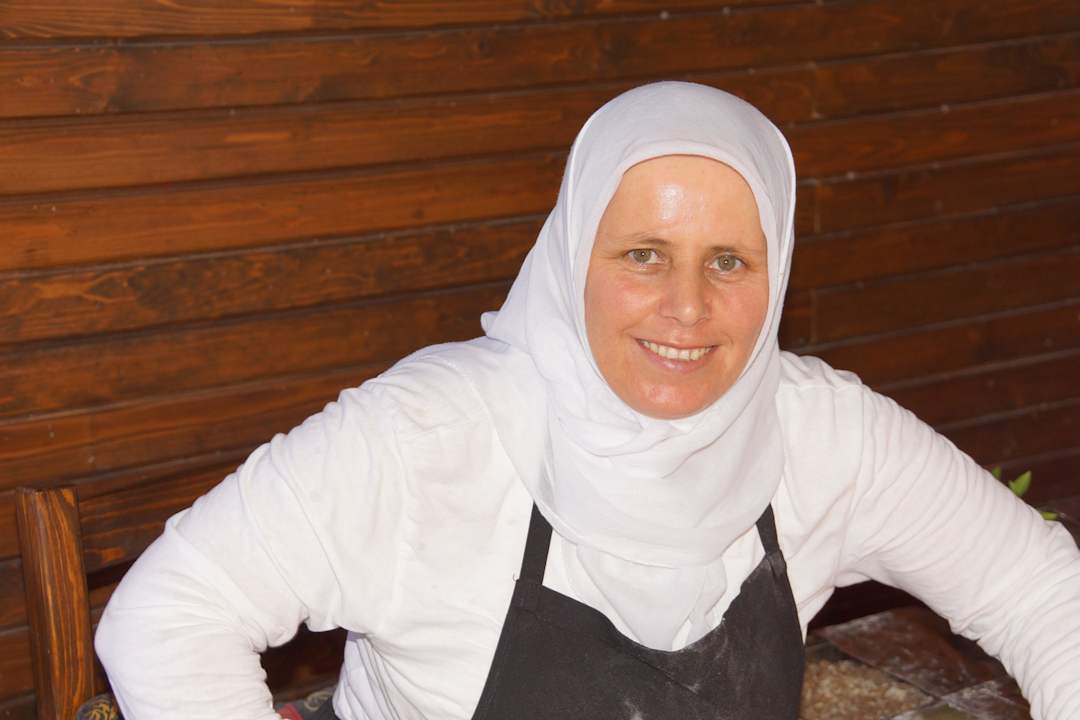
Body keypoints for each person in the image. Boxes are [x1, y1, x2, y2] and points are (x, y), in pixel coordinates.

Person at [95, 81, 1080, 720]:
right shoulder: (428, 438)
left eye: (728, 261)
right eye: (644, 254)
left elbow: (1043, 590)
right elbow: (168, 615)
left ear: (776, 274)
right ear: (573, 258)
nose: (686, 307)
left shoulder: (824, 436)